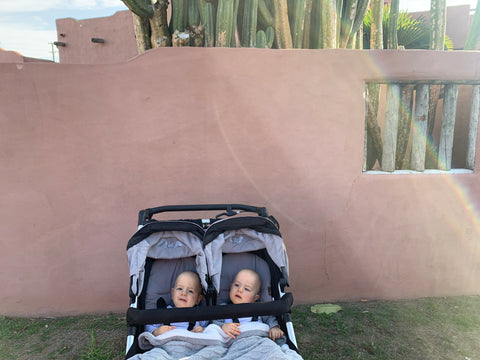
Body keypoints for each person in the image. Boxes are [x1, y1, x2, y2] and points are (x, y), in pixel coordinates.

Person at [214, 268, 284, 341]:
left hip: (257, 340)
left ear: (255, 298)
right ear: (231, 287)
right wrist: (222, 326)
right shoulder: (223, 308)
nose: (240, 290)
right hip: (233, 343)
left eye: (246, 289)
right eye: (237, 285)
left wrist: (274, 328)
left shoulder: (260, 309)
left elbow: (270, 319)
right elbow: (214, 323)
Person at [145, 271, 207, 336]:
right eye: (180, 288)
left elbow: (211, 329)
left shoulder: (199, 314)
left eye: (190, 291)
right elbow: (148, 326)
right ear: (172, 293)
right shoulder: (163, 312)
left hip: (190, 344)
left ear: (198, 299)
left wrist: (203, 330)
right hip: (168, 344)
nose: (184, 293)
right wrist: (157, 331)